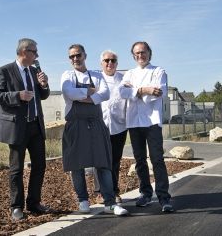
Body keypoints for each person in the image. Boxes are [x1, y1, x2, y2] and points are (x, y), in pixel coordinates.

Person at [60, 44, 128, 216]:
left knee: (103, 163)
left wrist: (84, 95)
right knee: (77, 165)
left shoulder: (97, 75)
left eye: (78, 55)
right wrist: (91, 93)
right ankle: (83, 200)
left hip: (97, 124)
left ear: (85, 55)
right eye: (72, 56)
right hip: (75, 124)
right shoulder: (67, 75)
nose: (75, 58)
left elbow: (105, 94)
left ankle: (110, 202)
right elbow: (68, 93)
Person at [0, 38, 51, 221]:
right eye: (35, 52)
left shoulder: (34, 71)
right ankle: (16, 206)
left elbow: (44, 96)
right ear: (24, 52)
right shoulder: (5, 70)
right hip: (17, 127)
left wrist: (44, 85)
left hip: (35, 126)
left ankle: (34, 202)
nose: (37, 56)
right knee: (16, 169)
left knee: (40, 166)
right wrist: (18, 95)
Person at [118, 41, 174, 213]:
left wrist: (135, 92)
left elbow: (157, 95)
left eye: (143, 52)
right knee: (140, 160)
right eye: (136, 53)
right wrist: (144, 90)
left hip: (152, 122)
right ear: (133, 56)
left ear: (149, 53)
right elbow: (122, 92)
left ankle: (164, 198)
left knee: (157, 159)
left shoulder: (159, 71)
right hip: (134, 123)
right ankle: (146, 194)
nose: (140, 56)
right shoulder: (129, 74)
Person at [93, 50, 128, 204]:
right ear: (101, 63)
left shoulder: (124, 80)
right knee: (100, 160)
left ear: (117, 63)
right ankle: (100, 192)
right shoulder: (95, 79)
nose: (110, 63)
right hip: (99, 125)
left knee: (115, 160)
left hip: (119, 126)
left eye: (113, 60)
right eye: (106, 60)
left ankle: (114, 191)